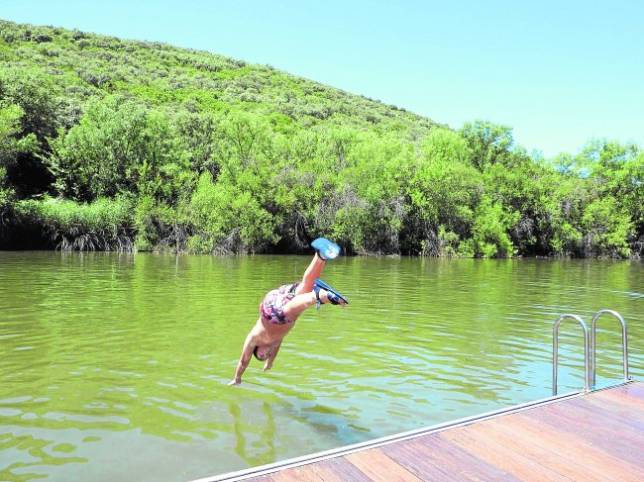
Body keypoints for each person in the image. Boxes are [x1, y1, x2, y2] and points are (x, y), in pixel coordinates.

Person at [228, 238, 348, 385]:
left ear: (257, 349)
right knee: (306, 286)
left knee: (292, 310)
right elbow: (274, 352)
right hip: (280, 297)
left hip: (273, 312)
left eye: (260, 355)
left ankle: (319, 296)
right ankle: (321, 256)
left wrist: (237, 378)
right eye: (265, 356)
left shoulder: (254, 339)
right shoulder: (275, 342)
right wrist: (269, 364)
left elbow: (243, 361)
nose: (264, 354)